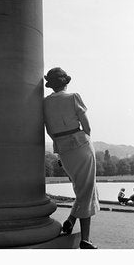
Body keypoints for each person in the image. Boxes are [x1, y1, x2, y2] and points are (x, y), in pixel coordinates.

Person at [43, 67, 100, 249]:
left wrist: (60, 147)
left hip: (63, 150)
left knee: (83, 188)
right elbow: (87, 127)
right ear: (66, 81)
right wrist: (85, 141)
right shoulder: (73, 97)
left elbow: (50, 130)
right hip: (81, 146)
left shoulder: (45, 103)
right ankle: (85, 239)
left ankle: (71, 220)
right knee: (87, 189)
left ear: (51, 85)